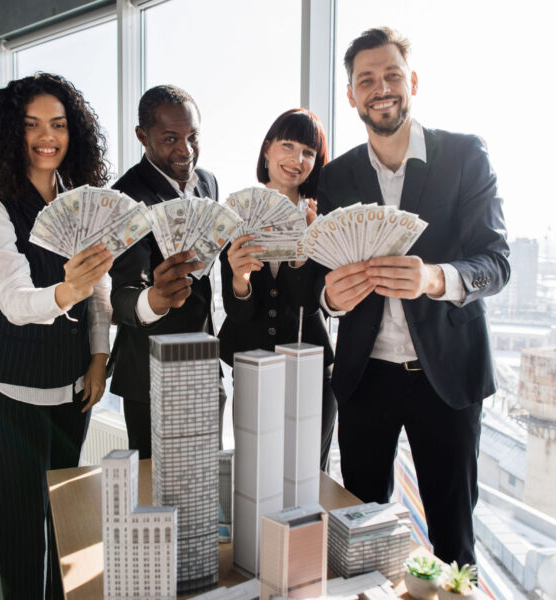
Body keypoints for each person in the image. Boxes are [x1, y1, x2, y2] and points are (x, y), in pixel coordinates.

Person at [316, 28, 510, 566]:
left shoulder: (465, 156)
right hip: (365, 380)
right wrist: (331, 297)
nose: (381, 89)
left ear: (413, 82)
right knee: (362, 537)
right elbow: (320, 279)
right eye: (366, 80)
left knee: (453, 540)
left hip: (447, 379)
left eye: (392, 75)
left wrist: (434, 278)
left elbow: (496, 262)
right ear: (351, 95)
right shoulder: (336, 178)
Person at [0, 73, 113, 599]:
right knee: (22, 542)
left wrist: (99, 357)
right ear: (10, 132)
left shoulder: (81, 199)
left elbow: (100, 291)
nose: (47, 137)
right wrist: (67, 288)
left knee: (66, 535)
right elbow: (15, 301)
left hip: (72, 395)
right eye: (31, 126)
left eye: (59, 125)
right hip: (8, 399)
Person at [218, 108, 337, 469]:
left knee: (307, 481)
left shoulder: (323, 218)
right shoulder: (238, 212)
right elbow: (237, 310)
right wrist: (240, 280)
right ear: (267, 149)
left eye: (308, 152)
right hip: (252, 366)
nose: (296, 159)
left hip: (311, 372)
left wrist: (308, 247)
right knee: (257, 476)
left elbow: (308, 302)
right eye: (287, 145)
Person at [109, 84, 220, 458]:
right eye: (171, 138)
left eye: (192, 136)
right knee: (153, 498)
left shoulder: (209, 183)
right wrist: (153, 301)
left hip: (204, 366)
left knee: (204, 484)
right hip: (149, 376)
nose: (185, 150)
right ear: (142, 136)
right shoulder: (124, 199)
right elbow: (121, 295)